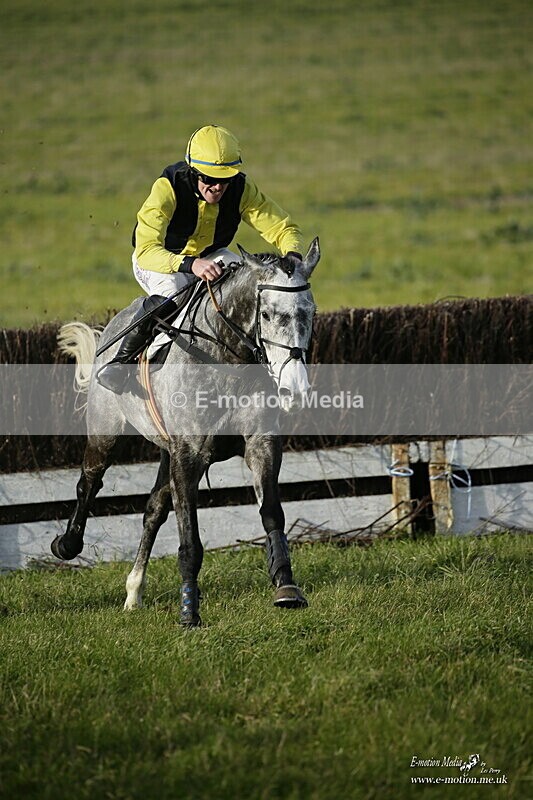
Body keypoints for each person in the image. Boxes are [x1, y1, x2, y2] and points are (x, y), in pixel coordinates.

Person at [97, 124, 304, 393]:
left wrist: (293, 255)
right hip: (160, 259)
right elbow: (147, 249)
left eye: (225, 179)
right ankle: (120, 363)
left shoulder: (241, 188)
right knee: (172, 292)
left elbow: (281, 226)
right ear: (193, 172)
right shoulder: (168, 187)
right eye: (208, 179)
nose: (217, 187)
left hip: (210, 255)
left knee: (246, 282)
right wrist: (189, 265)